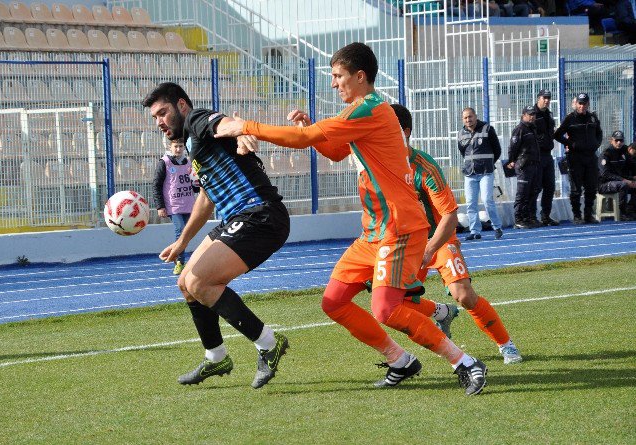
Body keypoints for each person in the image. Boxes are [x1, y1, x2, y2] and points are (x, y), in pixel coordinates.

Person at [215, 42, 488, 395]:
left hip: (398, 228)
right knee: (334, 302)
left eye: (338, 76)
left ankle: (465, 363)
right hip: (374, 231)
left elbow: (307, 139)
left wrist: (245, 125)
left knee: (386, 308)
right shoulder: (365, 111)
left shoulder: (371, 109)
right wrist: (311, 128)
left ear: (360, 76)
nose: (333, 83)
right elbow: (333, 148)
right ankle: (400, 361)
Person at [143, 82, 291, 389]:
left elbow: (222, 123)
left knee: (201, 282)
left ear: (181, 106)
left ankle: (268, 344)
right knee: (185, 283)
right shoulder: (195, 147)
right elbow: (206, 199)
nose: (159, 122)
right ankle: (216, 356)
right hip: (236, 217)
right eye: (155, 117)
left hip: (259, 214)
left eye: (163, 112)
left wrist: (242, 130)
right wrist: (182, 242)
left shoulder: (197, 120)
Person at [390, 103, 522, 364]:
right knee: (392, 303)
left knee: (464, 294)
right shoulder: (380, 166)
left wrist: (429, 249)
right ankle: (442, 313)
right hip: (406, 244)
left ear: (404, 132)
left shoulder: (424, 167)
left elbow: (450, 217)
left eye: (386, 128)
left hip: (438, 240)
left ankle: (506, 344)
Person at [553, 93, 603, 224]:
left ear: (588, 104)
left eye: (584, 103)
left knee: (591, 187)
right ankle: (577, 215)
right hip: (576, 157)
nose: (582, 106)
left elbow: (599, 132)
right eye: (580, 103)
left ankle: (588, 214)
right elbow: (557, 135)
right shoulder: (570, 118)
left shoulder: (593, 117)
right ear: (576, 104)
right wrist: (571, 144)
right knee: (576, 188)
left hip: (591, 156)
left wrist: (596, 144)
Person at [152, 139, 200, 275]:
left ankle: (181, 259)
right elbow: (156, 185)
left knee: (187, 233)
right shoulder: (165, 162)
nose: (178, 149)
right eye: (175, 146)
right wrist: (160, 206)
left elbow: (195, 187)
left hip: (188, 204)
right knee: (180, 230)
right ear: (169, 147)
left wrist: (198, 181)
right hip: (173, 206)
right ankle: (180, 261)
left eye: (180, 146)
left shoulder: (188, 162)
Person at [457, 107, 504, 241]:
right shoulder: (461, 133)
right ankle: (475, 231)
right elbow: (463, 152)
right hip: (470, 173)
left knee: (487, 200)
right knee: (471, 203)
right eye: (465, 118)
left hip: (485, 172)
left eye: (470, 117)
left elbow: (497, 150)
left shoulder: (487, 129)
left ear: (475, 117)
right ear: (463, 119)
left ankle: (497, 227)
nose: (468, 120)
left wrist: (488, 162)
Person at [508, 106, 541, 229]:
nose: (532, 117)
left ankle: (528, 217)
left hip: (534, 165)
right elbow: (513, 147)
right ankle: (518, 219)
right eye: (529, 114)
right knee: (522, 193)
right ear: (523, 115)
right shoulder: (520, 129)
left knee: (533, 192)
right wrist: (512, 160)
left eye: (533, 114)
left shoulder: (532, 128)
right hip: (524, 165)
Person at [533, 89, 559, 226]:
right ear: (539, 98)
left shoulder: (549, 114)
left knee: (550, 186)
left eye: (549, 98)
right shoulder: (532, 113)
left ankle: (545, 216)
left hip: (547, 155)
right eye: (544, 98)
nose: (547, 100)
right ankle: (532, 216)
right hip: (536, 156)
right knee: (536, 187)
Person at [598, 131, 636, 220]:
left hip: (620, 180)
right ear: (612, 141)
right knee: (623, 185)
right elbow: (605, 174)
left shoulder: (624, 151)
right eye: (617, 140)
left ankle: (631, 209)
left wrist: (633, 178)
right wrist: (624, 180)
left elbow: (632, 165)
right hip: (604, 184)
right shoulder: (606, 154)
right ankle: (622, 213)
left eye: (621, 140)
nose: (619, 143)